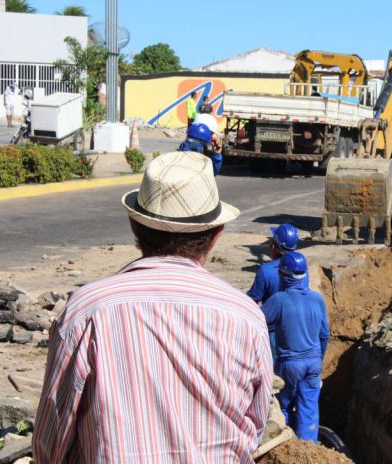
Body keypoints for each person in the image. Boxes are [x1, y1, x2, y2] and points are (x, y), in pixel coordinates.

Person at [34, 152, 273, 463]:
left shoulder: (86, 312)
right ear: (215, 236)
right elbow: (253, 427)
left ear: (134, 226)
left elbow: (51, 441)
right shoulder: (246, 317)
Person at [262, 251, 329, 442]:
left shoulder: (278, 300)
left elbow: (256, 321)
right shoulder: (317, 300)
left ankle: (287, 448)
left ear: (283, 276)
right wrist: (319, 359)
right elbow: (324, 334)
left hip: (289, 364)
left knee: (282, 405)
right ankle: (308, 448)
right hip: (313, 363)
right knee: (309, 408)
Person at [247, 223, 299, 304]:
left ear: (273, 247)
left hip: (272, 315)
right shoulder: (303, 269)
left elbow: (252, 299)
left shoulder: (265, 270)